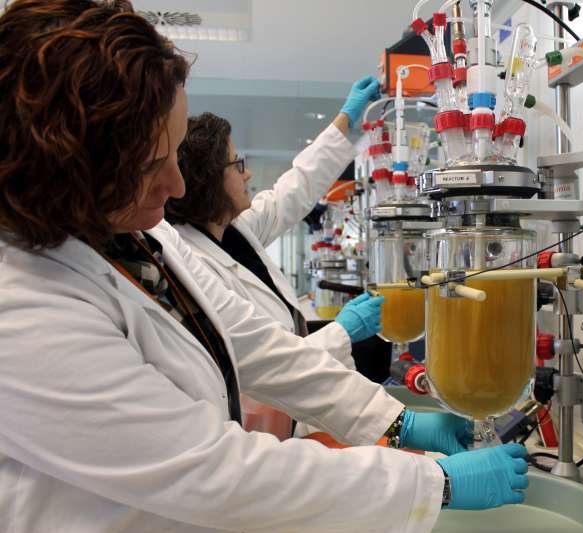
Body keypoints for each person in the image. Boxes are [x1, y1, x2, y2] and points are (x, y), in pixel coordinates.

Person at [0, 2, 529, 532]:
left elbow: (251, 344)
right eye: (149, 165)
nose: (178, 186)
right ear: (66, 173)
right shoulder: (21, 312)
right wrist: (435, 484)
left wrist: (394, 420)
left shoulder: (134, 236)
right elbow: (213, 472)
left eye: (176, 154)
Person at [165, 106, 382, 438]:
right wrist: (340, 331)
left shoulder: (234, 231)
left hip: (298, 407)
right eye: (237, 164)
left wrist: (344, 120)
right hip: (268, 428)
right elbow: (255, 370)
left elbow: (293, 190)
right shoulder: (193, 266)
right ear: (208, 179)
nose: (247, 174)